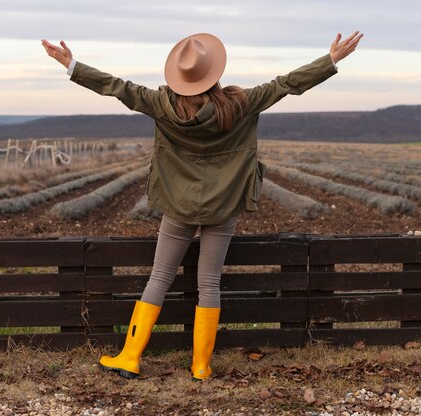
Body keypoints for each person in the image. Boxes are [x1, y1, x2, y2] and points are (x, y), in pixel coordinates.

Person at [42, 31, 363, 380]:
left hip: (178, 207)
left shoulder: (160, 104)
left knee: (159, 278)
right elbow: (285, 84)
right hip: (223, 209)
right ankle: (201, 366)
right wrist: (330, 60)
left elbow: (118, 87)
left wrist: (71, 65)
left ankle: (130, 357)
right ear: (214, 72)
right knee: (209, 283)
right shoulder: (240, 103)